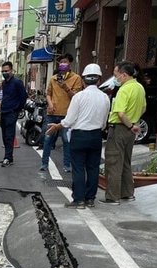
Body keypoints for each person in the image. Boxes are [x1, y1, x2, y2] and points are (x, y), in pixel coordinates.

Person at [46, 64, 110, 209]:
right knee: (93, 168)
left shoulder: (79, 97)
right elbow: (104, 121)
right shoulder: (105, 98)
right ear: (99, 80)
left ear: (83, 80)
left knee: (79, 168)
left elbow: (69, 120)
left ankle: (79, 200)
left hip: (79, 136)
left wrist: (58, 126)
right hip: (96, 136)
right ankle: (90, 199)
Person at [100, 61, 146, 205]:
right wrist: (135, 123)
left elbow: (120, 113)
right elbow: (144, 107)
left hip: (120, 128)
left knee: (113, 162)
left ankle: (113, 197)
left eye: (116, 75)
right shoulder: (139, 87)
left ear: (124, 75)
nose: (115, 78)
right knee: (126, 161)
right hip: (131, 131)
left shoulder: (124, 90)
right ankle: (127, 193)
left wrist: (130, 124)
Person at [40, 53, 83, 173]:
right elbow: (48, 94)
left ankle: (67, 164)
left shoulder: (76, 78)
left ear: (70, 63)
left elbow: (77, 97)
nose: (62, 64)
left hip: (67, 115)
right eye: (60, 62)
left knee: (66, 140)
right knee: (48, 139)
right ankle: (44, 163)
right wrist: (50, 104)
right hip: (52, 114)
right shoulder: (53, 78)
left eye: (65, 61)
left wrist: (66, 87)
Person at [0, 61, 27, 167]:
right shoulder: (4, 83)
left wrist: (17, 109)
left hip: (12, 112)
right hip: (4, 112)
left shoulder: (17, 82)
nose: (5, 72)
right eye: (3, 71)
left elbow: (23, 96)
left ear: (11, 70)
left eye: (7, 70)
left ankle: (7, 158)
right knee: (4, 136)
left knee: (9, 135)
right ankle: (8, 157)